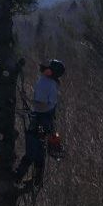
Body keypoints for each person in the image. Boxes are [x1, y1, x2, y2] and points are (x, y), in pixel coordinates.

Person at [14, 59, 65, 191]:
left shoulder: (46, 83)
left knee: (32, 151)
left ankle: (17, 177)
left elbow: (41, 106)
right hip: (46, 124)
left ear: (52, 71)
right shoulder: (52, 83)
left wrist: (28, 101)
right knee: (39, 153)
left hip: (39, 122)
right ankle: (36, 182)